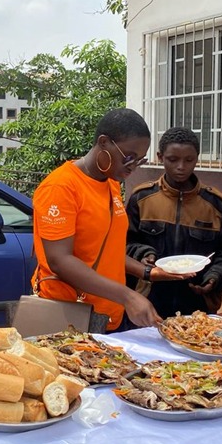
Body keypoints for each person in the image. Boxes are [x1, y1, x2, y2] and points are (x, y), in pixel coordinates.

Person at [31, 108, 159, 331]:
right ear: (103, 142)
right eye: (128, 157)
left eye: (139, 160)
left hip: (107, 316)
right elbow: (60, 261)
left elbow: (105, 249)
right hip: (69, 317)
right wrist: (128, 296)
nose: (132, 166)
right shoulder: (61, 187)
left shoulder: (109, 183)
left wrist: (147, 272)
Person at [125, 127, 222, 318]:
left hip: (198, 303)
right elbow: (124, 243)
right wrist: (143, 254)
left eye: (189, 160)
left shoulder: (215, 204)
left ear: (197, 158)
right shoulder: (141, 198)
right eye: (173, 159)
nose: (181, 166)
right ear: (160, 157)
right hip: (149, 301)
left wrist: (215, 277)